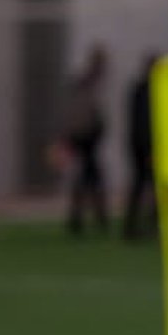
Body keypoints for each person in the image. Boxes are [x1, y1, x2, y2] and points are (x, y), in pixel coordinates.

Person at [63, 42, 110, 236]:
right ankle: (89, 217)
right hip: (84, 138)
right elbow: (83, 114)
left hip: (85, 137)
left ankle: (85, 217)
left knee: (88, 179)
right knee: (89, 179)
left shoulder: (87, 84)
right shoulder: (86, 84)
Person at [122, 52, 158, 240]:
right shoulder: (148, 91)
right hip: (145, 146)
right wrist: (149, 148)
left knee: (144, 186)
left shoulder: (139, 89)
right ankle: (141, 225)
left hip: (139, 145)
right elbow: (145, 123)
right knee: (147, 186)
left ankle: (141, 225)